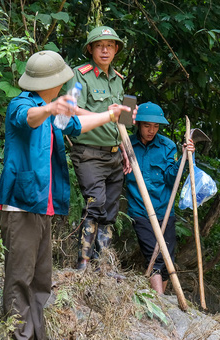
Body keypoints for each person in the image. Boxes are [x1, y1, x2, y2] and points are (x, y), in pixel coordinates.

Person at [0, 50, 133, 340]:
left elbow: (77, 124)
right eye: (59, 82)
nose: (63, 85)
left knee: (41, 281)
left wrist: (111, 115)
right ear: (48, 84)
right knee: (19, 278)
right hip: (21, 205)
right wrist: (49, 108)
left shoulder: (55, 111)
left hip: (44, 207)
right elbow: (28, 119)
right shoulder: (23, 105)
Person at [63, 26, 129, 270]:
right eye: (100, 45)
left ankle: (105, 267)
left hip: (114, 154)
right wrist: (103, 115)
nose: (105, 50)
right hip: (88, 152)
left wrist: (125, 150)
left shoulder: (118, 80)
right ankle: (83, 264)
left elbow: (121, 121)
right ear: (90, 49)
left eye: (110, 45)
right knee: (96, 204)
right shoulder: (78, 75)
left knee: (110, 211)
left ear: (116, 50)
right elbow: (69, 109)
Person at [125, 102, 194, 294]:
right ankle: (161, 300)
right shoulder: (126, 144)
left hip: (164, 209)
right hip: (140, 211)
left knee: (167, 258)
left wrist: (184, 158)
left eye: (155, 126)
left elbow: (172, 179)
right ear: (138, 124)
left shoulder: (167, 146)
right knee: (154, 256)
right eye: (147, 126)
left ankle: (159, 299)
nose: (151, 130)